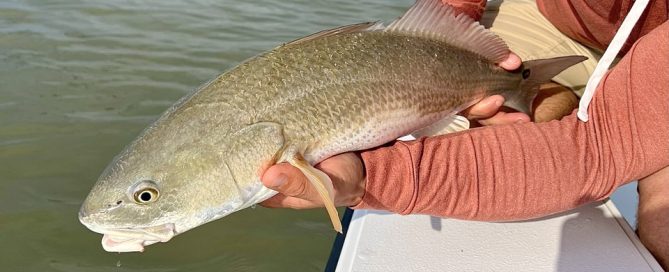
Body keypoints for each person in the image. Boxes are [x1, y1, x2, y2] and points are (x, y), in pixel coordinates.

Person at [260, 0, 669, 268]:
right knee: (493, 120)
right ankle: (534, 91)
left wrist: (372, 179)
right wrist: (447, 21)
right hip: (555, 15)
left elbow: (603, 147)